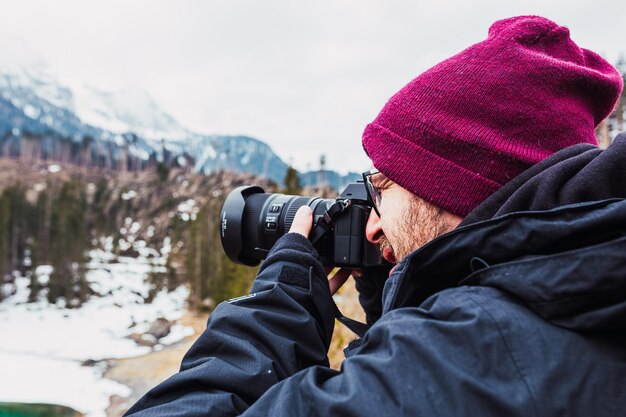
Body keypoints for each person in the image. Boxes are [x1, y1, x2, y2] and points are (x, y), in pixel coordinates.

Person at [125, 15, 626, 416]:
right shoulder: (568, 304)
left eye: (383, 189)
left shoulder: (460, 358)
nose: (371, 224)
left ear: (448, 188)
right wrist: (400, 300)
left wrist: (279, 307)